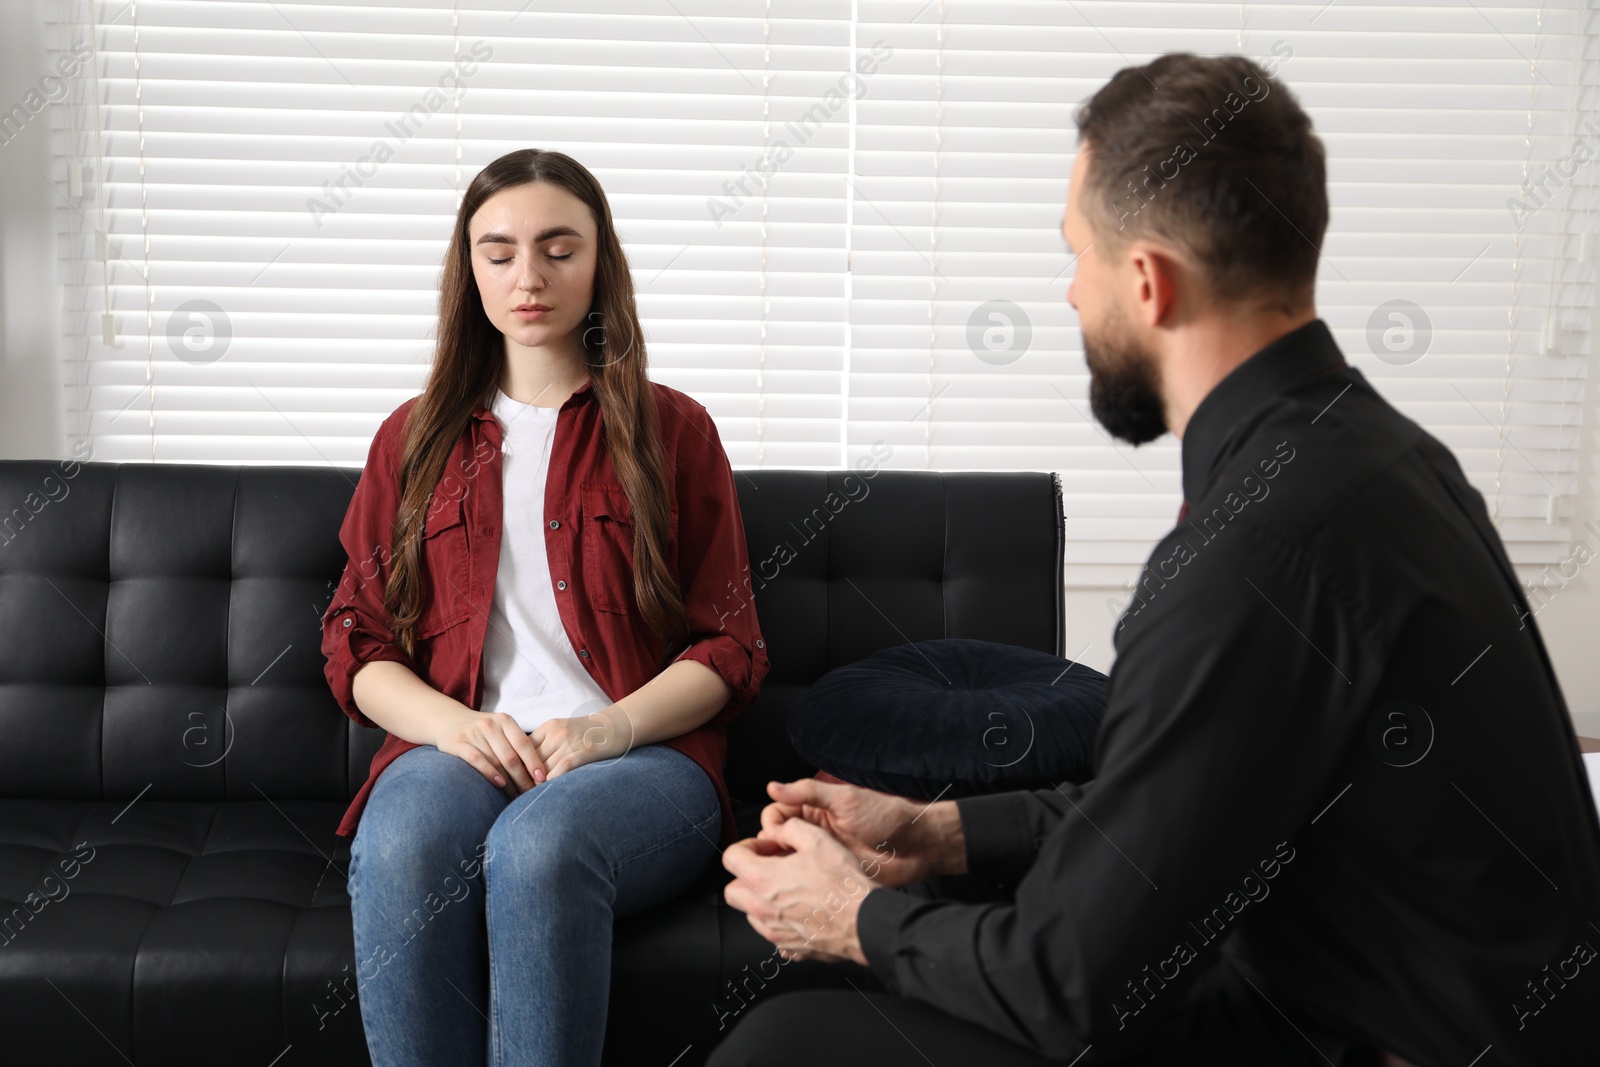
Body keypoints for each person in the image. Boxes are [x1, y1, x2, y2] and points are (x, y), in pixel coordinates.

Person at [709, 53, 1600, 1067]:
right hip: (1363, 997)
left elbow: (1062, 983)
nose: (1070, 292)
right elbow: (1183, 796)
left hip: (1374, 1039)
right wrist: (936, 828)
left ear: (1147, 281)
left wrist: (848, 914)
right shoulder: (1375, 455)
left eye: (1076, 254)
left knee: (787, 1044)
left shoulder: (1253, 551)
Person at [318, 148, 770, 1067]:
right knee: (404, 843)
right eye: (499, 251)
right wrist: (456, 727)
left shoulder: (672, 430)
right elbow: (355, 641)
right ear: (468, 267)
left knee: (539, 846)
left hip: (641, 757)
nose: (528, 276)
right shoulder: (412, 438)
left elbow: (728, 648)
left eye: (559, 248)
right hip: (460, 747)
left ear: (601, 262)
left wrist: (605, 730)